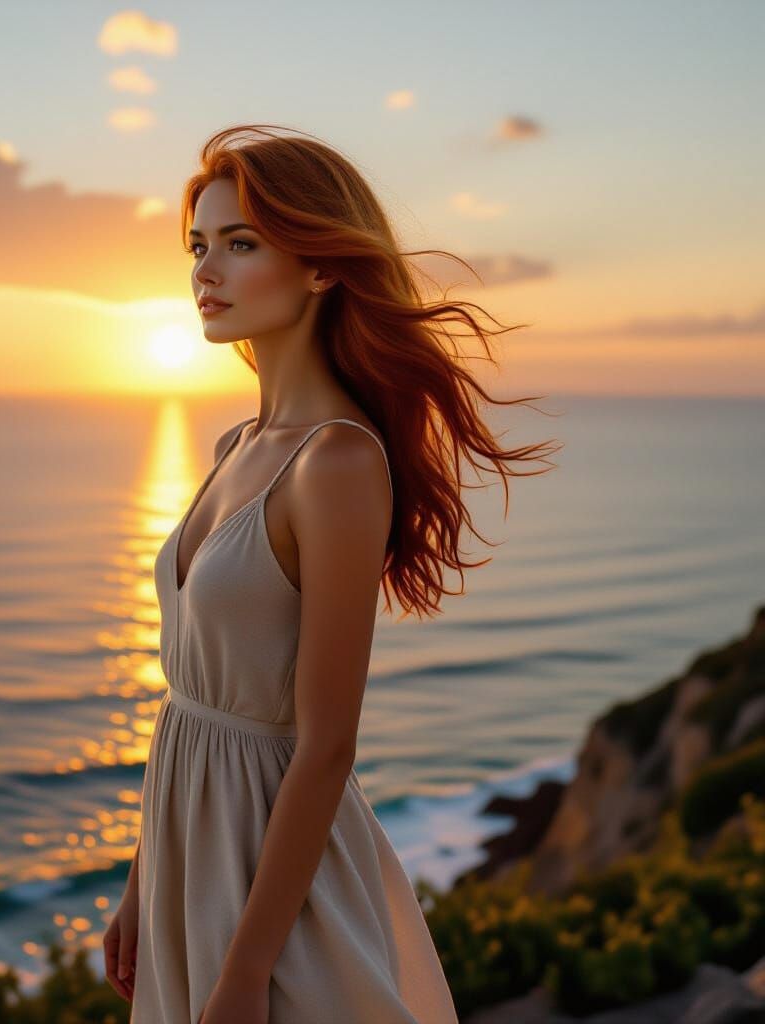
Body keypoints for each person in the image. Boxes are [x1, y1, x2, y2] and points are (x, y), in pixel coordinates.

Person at [104, 124, 560, 1023]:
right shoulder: (238, 445)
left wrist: (247, 973)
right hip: (189, 862)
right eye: (199, 247)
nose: (205, 272)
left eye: (241, 244)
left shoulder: (337, 462)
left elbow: (325, 747)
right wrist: (140, 885)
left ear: (319, 267)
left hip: (276, 897)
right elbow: (188, 712)